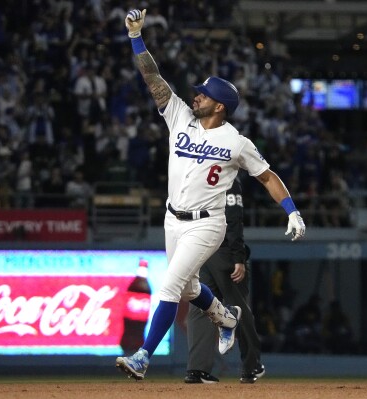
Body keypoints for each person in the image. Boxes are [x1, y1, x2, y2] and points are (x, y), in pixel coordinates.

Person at [116, 8, 306, 381]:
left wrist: (292, 211)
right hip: (174, 218)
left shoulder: (236, 142)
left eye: (204, 94)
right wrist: (136, 36)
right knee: (188, 289)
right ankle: (225, 318)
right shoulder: (179, 115)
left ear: (220, 106)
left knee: (170, 285)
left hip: (208, 224)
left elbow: (267, 177)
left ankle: (142, 356)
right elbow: (151, 76)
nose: (196, 96)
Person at [185, 176, 265, 384]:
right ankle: (251, 366)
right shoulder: (227, 177)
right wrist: (238, 256)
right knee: (239, 306)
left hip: (199, 249)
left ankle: (197, 369)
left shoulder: (197, 174)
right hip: (224, 252)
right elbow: (233, 217)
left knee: (201, 307)